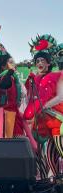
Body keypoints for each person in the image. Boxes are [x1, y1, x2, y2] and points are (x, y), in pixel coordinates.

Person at [24, 34, 61, 178]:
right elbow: (29, 97)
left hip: (54, 120)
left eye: (42, 60)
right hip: (39, 123)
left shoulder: (54, 76)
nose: (39, 63)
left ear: (49, 63)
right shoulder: (34, 78)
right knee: (40, 155)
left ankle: (55, 181)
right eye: (37, 60)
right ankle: (46, 183)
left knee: (51, 153)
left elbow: (46, 99)